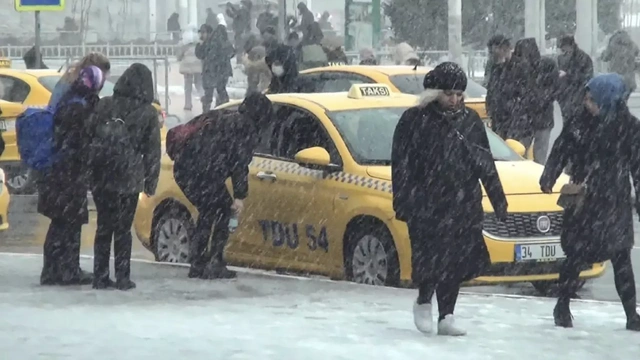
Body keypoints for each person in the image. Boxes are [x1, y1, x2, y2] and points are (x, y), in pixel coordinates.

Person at [392, 62, 508, 336]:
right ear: (434, 93)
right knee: (430, 260)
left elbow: (485, 163)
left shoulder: (470, 121)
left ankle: (447, 315)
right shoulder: (414, 119)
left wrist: (498, 199)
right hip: (426, 203)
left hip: (462, 203)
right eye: (448, 93)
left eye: (459, 94)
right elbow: (401, 164)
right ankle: (423, 301)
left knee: (455, 261)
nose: (454, 99)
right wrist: (403, 200)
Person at [540, 73, 640, 331]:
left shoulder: (629, 127)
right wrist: (548, 175)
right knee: (574, 257)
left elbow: (638, 168)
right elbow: (560, 149)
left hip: (614, 201)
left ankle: (631, 315)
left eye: (592, 99)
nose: (587, 103)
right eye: (585, 98)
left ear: (609, 101)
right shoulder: (578, 123)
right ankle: (562, 306)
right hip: (583, 202)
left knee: (621, 260)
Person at [173, 93, 274, 279]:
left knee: (208, 213)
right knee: (221, 212)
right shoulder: (245, 127)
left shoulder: (224, 117)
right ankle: (214, 262)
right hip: (203, 173)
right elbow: (239, 163)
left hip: (185, 169)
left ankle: (199, 263)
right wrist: (239, 196)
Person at [88, 63, 161, 290]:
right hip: (128, 177)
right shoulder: (148, 112)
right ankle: (122, 277)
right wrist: (151, 182)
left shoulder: (105, 104)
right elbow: (152, 151)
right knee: (122, 229)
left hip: (102, 174)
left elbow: (90, 135)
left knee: (103, 227)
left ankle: (100, 276)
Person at [38, 66, 104, 286]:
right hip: (69, 173)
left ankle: (51, 270)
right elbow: (80, 143)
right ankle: (68, 270)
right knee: (71, 222)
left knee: (60, 222)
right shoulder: (79, 107)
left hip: (56, 172)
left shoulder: (69, 99)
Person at [512, 38, 558, 165]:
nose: (522, 59)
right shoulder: (519, 69)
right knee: (520, 153)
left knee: (537, 155)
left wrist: (538, 100)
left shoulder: (547, 66)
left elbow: (554, 89)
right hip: (529, 119)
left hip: (538, 118)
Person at [485, 35, 530, 142]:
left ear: (504, 49)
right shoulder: (496, 68)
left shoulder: (520, 66)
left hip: (515, 120)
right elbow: (492, 89)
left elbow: (524, 92)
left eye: (495, 52)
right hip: (498, 119)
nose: (493, 56)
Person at [196, 24, 235, 112]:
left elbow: (201, 55)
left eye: (203, 32)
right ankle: (223, 109)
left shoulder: (210, 42)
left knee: (209, 93)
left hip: (211, 71)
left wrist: (200, 44)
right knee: (221, 91)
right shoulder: (225, 42)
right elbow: (232, 53)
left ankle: (206, 113)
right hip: (223, 71)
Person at [556, 35, 593, 123]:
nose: (562, 51)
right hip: (565, 94)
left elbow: (587, 76)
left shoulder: (583, 58)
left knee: (578, 119)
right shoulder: (561, 58)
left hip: (578, 93)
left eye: (564, 48)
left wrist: (568, 75)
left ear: (571, 46)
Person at [601, 30, 639, 100]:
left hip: (615, 78)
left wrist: (602, 54)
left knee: (615, 100)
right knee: (624, 99)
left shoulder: (612, 43)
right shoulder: (632, 44)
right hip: (629, 79)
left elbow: (605, 57)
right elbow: (636, 52)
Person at [178, 24, 203, 111]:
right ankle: (203, 97)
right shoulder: (199, 42)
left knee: (187, 86)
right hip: (198, 65)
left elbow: (179, 56)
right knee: (199, 83)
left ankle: (188, 104)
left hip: (187, 66)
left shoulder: (184, 43)